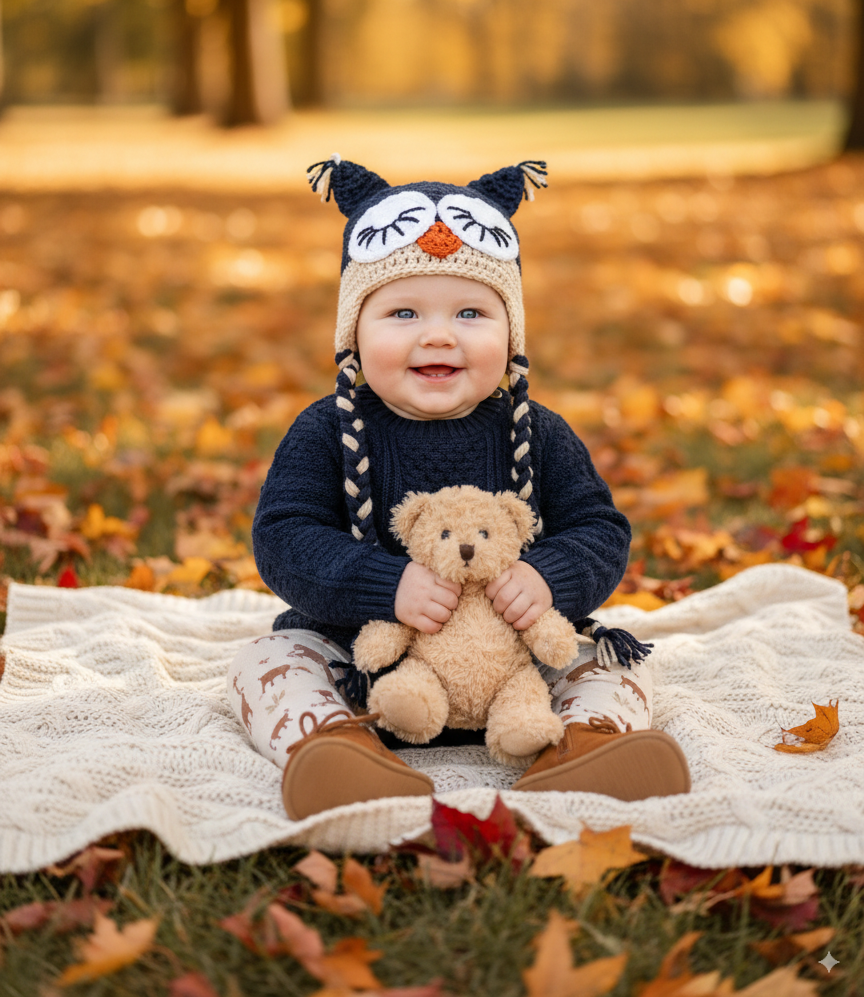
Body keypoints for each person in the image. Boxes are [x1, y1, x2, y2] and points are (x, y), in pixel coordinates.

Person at [228, 156, 690, 820]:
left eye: (472, 312)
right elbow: (284, 535)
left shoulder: (537, 431)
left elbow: (599, 527)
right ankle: (339, 749)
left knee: (619, 661)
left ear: (512, 335)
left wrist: (548, 581)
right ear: (353, 332)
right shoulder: (327, 429)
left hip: (516, 664)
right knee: (268, 661)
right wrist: (383, 587)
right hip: (365, 662)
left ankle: (584, 748)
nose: (438, 334)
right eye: (404, 312)